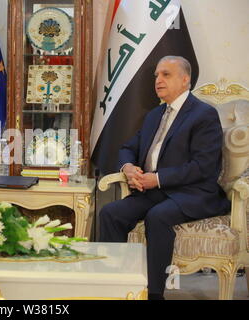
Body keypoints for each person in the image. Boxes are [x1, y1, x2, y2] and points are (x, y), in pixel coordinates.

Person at [98, 56, 231, 300]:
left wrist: (157, 179)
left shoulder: (203, 114)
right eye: (157, 75)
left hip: (193, 192)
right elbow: (129, 147)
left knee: (157, 216)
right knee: (110, 213)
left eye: (166, 75)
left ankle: (154, 294)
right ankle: (113, 287)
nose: (158, 80)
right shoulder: (154, 115)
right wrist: (128, 168)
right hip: (154, 191)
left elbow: (203, 167)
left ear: (185, 79)